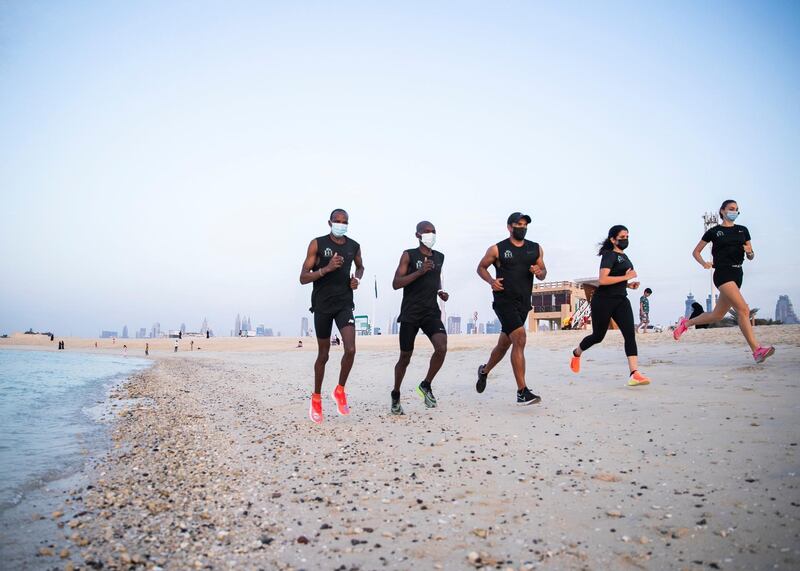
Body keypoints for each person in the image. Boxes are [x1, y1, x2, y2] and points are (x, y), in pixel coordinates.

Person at [673, 200, 775, 363]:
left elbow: (751, 255)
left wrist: (750, 252)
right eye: (731, 209)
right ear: (722, 211)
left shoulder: (743, 230)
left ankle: (686, 323)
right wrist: (704, 263)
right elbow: (696, 251)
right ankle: (757, 350)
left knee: (717, 315)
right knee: (743, 310)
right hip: (722, 273)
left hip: (737, 273)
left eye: (736, 209)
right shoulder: (714, 231)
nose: (734, 211)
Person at [299, 208, 364, 424]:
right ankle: (316, 398)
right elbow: (303, 278)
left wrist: (356, 279)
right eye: (337, 221)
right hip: (322, 306)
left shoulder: (353, 246)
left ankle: (340, 390)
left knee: (351, 349)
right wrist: (325, 269)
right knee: (324, 355)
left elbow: (360, 266)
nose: (341, 224)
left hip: (344, 303)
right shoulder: (317, 244)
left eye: (344, 221)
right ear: (329, 222)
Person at [476, 212, 546, 405]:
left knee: (504, 345)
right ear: (509, 227)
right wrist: (491, 281)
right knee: (520, 338)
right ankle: (522, 391)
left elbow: (543, 272)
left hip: (523, 303)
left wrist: (539, 272)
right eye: (518, 224)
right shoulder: (497, 249)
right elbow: (481, 267)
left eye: (525, 225)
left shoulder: (535, 248)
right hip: (503, 301)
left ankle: (484, 370)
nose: (522, 227)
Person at [569, 225, 651, 386]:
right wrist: (626, 277)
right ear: (613, 239)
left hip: (621, 299)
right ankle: (576, 353)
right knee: (598, 336)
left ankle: (634, 373)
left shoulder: (625, 256)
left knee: (629, 334)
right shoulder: (608, 255)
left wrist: (629, 285)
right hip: (603, 301)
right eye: (622, 237)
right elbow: (603, 280)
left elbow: (616, 278)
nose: (625, 239)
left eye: (627, 236)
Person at [390, 221, 449, 415]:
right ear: (418, 235)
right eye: (426, 232)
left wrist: (440, 290)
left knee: (441, 348)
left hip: (431, 311)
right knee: (405, 357)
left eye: (433, 231)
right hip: (410, 312)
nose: (430, 235)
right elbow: (396, 283)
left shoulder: (440, 257)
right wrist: (419, 271)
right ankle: (396, 394)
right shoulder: (409, 255)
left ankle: (426, 384)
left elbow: (436, 277)